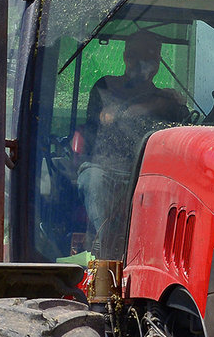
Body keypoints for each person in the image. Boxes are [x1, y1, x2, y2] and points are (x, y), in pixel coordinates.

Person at [73, 36, 189, 254]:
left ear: (157, 61)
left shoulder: (167, 99)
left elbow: (182, 129)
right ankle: (106, 252)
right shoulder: (106, 86)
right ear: (126, 57)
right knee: (92, 180)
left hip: (150, 174)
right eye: (135, 55)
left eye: (149, 56)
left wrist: (176, 103)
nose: (141, 61)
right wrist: (153, 104)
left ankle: (153, 254)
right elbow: (108, 117)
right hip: (107, 170)